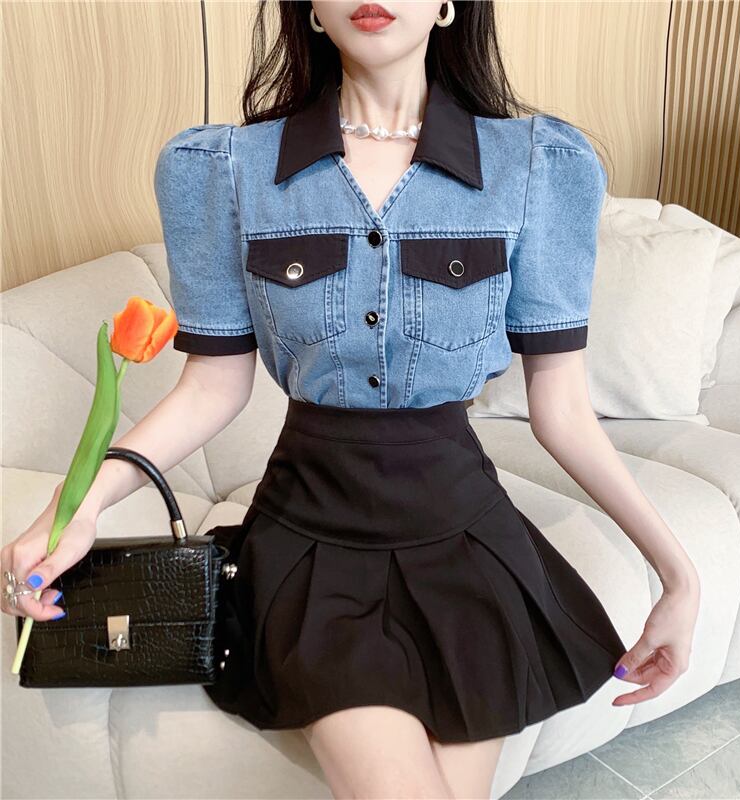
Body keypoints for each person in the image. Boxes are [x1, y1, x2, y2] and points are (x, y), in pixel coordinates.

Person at [1, 2, 701, 797]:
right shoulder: (222, 170)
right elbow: (210, 389)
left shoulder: (538, 166)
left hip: (466, 540)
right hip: (311, 541)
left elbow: (563, 412)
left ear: (448, 5)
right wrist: (77, 507)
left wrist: (679, 577)